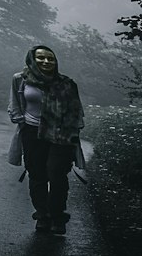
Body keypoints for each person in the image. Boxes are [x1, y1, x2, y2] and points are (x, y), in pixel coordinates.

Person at [8, 44, 85, 236]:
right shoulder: (21, 79)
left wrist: (73, 133)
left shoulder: (67, 83)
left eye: (50, 59)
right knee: (37, 174)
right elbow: (15, 104)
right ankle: (43, 215)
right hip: (32, 133)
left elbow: (77, 111)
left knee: (57, 175)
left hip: (61, 135)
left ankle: (57, 216)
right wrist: (21, 121)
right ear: (32, 60)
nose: (46, 62)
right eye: (41, 58)